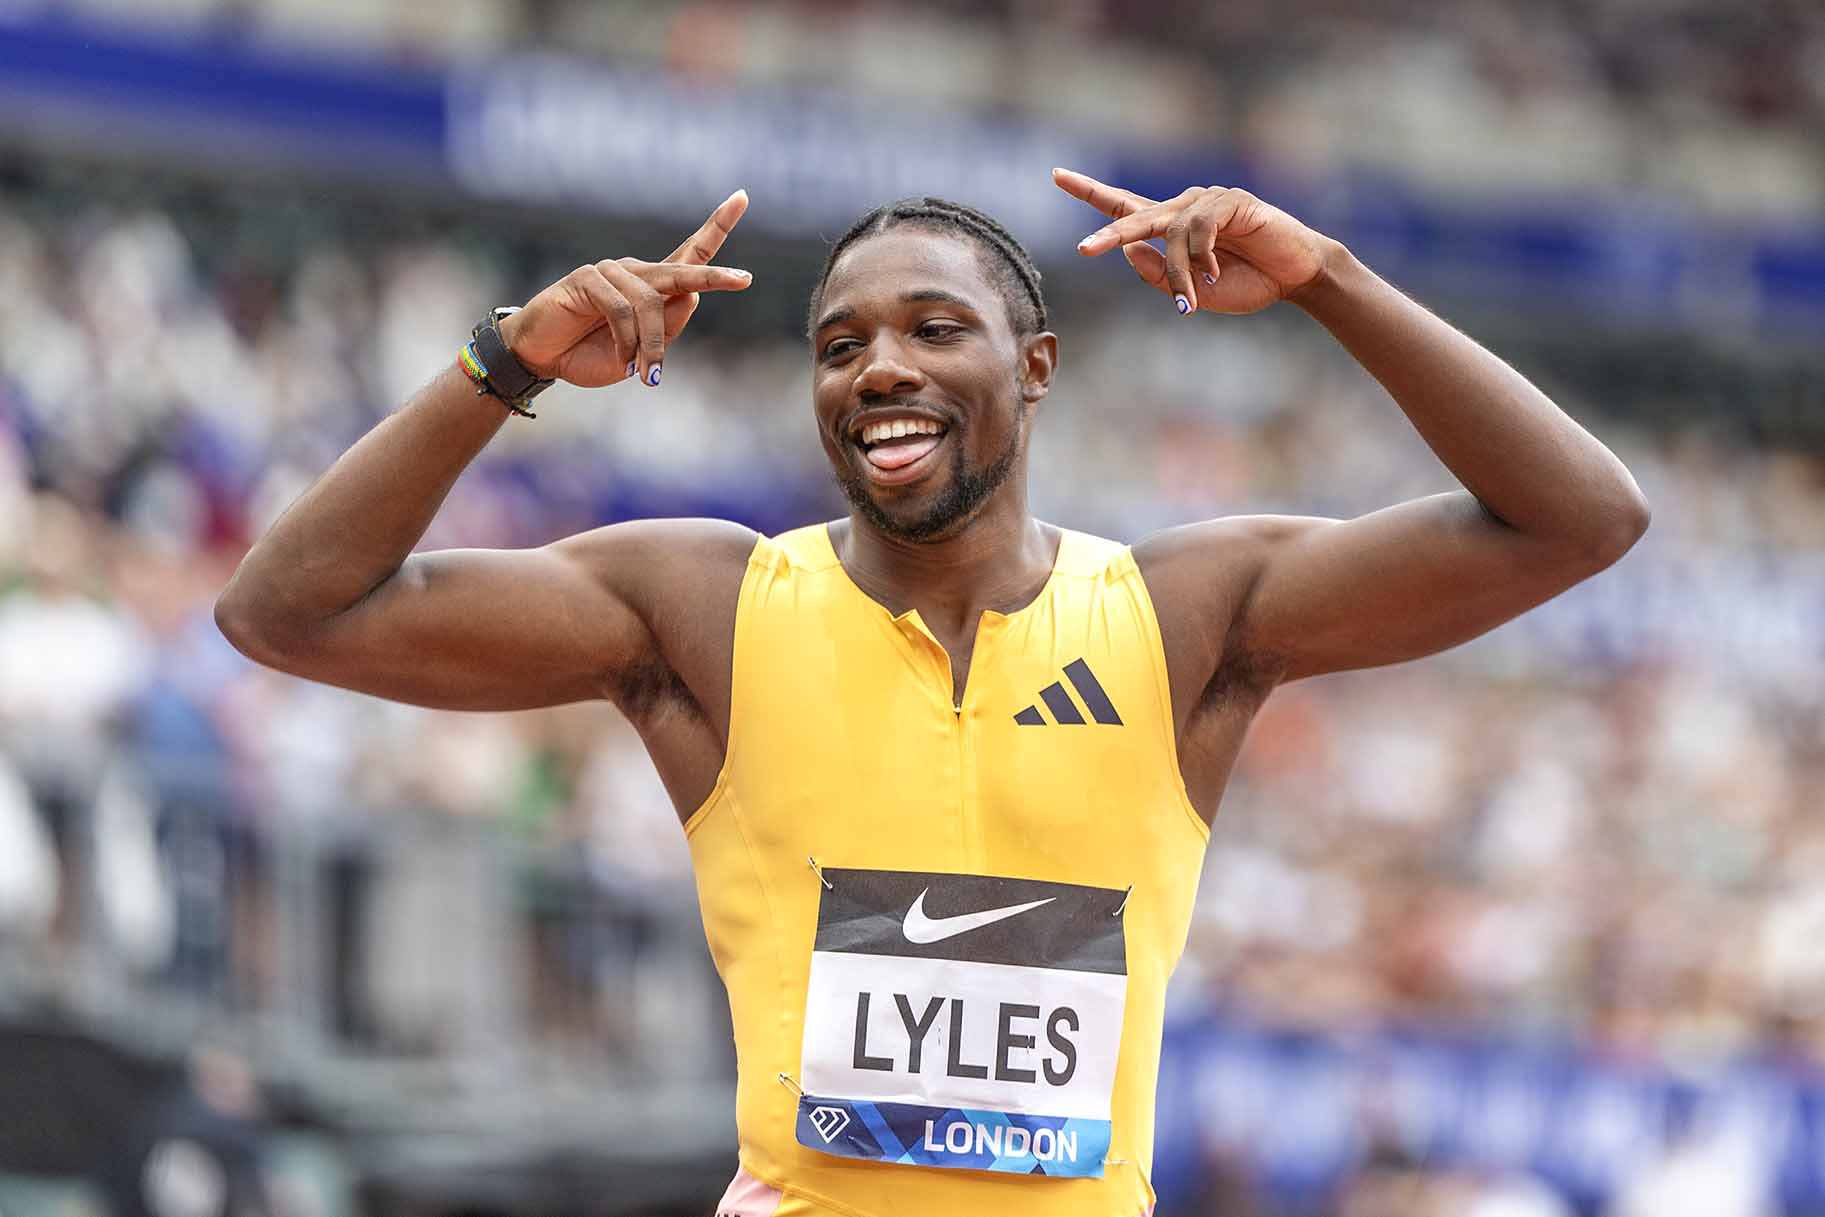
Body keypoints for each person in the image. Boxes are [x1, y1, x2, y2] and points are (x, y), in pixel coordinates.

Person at [215, 171, 1650, 1217]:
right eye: (838, 346)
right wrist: (504, 361)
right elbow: (285, 610)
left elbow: (1576, 518)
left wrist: (1325, 276)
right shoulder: (708, 605)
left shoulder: (1178, 615)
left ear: (1033, 370)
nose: (879, 366)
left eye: (930, 328)